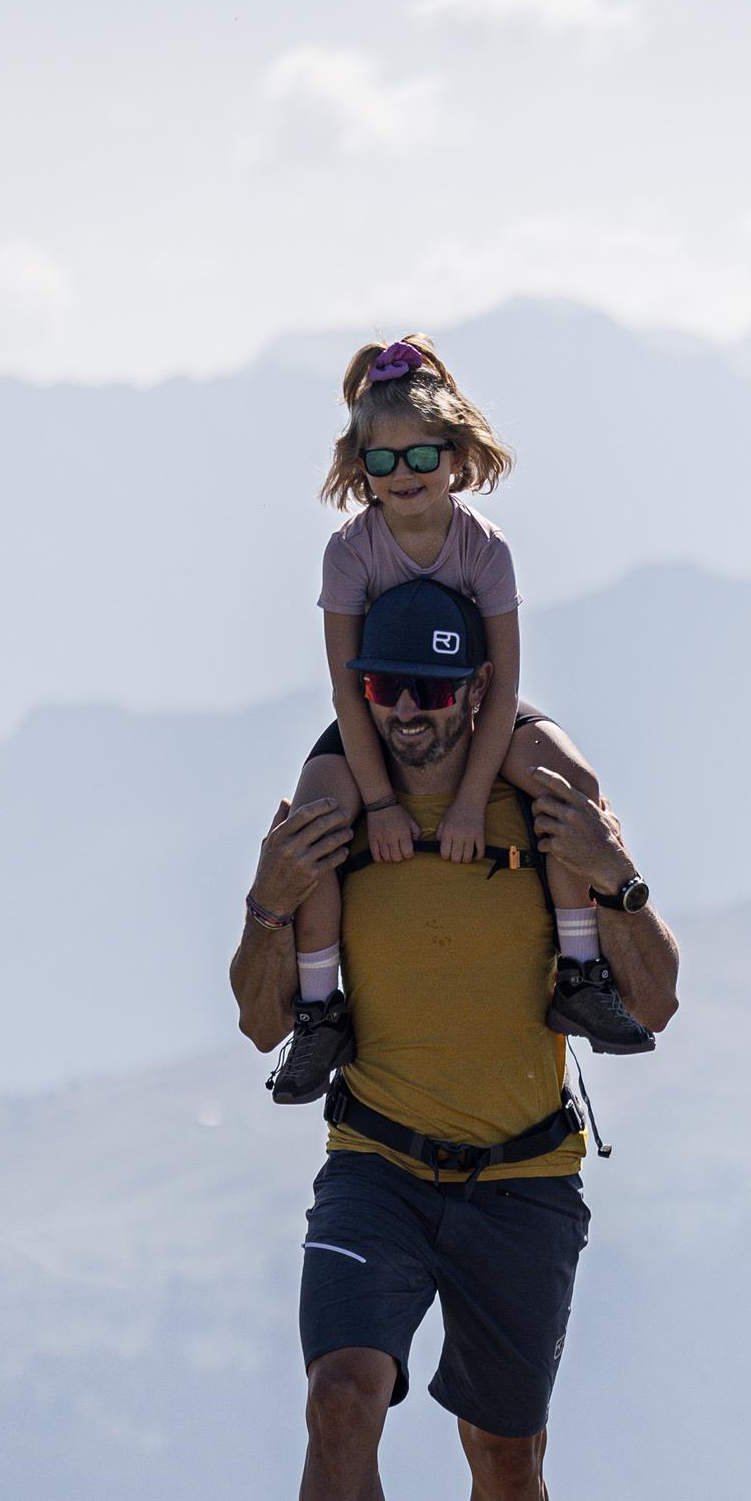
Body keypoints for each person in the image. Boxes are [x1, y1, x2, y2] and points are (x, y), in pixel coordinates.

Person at [230, 627, 680, 1501]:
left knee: (508, 1453)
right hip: (374, 1161)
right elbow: (259, 1022)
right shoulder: (333, 807)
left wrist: (620, 876)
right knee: (340, 1400)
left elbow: (657, 1000)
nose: (411, 711)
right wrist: (267, 906)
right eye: (387, 687)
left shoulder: (542, 801)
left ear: (481, 687)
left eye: (434, 688)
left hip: (524, 1177)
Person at [266, 331, 651, 1110]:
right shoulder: (349, 552)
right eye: (382, 459)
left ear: (457, 456)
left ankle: (580, 972)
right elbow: (346, 690)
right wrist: (378, 803)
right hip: (379, 709)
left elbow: (504, 685)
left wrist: (473, 801)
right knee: (314, 821)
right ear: (359, 467)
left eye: (420, 455)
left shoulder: (485, 550)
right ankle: (319, 1011)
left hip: (473, 704)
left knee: (568, 783)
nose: (402, 474)